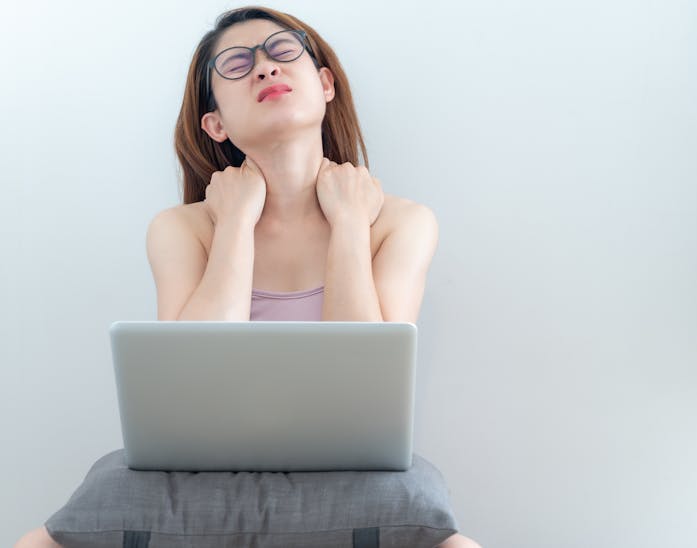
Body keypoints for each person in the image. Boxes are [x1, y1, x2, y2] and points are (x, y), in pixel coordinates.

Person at [15, 6, 481, 547]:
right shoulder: (180, 228)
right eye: (237, 64)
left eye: (283, 52)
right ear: (216, 124)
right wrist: (235, 221)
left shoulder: (402, 223)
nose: (264, 68)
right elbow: (190, 382)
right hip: (199, 473)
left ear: (325, 84)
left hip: (348, 470)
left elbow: (364, 392)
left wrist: (350, 224)